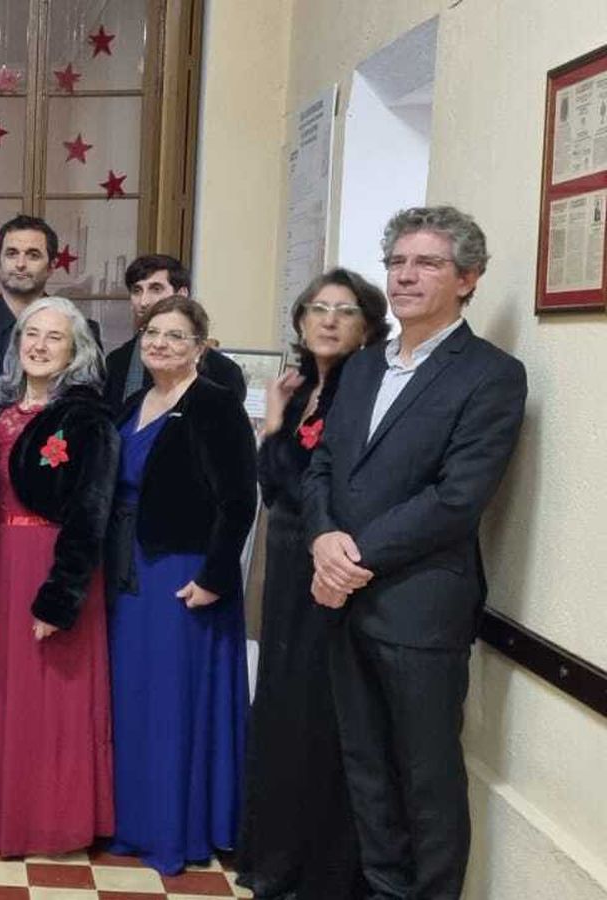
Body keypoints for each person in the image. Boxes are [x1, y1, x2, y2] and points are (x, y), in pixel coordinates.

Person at [304, 207, 527, 900]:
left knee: (426, 782)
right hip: (344, 604)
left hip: (419, 610)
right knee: (367, 773)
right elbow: (323, 467)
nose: (405, 276)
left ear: (468, 279)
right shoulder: (363, 366)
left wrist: (351, 558)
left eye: (427, 263)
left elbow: (457, 498)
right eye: (397, 262)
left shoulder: (491, 375)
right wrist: (321, 538)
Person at [236, 269, 387, 900]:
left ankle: (317, 870)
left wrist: (273, 435)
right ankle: (275, 859)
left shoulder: (364, 390)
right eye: (317, 309)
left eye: (345, 311)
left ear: (368, 328)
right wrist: (276, 421)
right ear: (299, 321)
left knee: (319, 716)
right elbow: (275, 485)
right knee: (280, 705)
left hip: (330, 571)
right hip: (287, 566)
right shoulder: (301, 390)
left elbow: (311, 487)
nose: (328, 320)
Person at [105, 294, 256, 875]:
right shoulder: (133, 403)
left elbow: (239, 500)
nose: (160, 344)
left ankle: (175, 828)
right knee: (134, 698)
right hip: (129, 571)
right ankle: (132, 822)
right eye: (152, 334)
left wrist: (214, 577)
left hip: (184, 573)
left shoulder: (214, 404)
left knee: (172, 702)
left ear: (199, 348)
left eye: (175, 336)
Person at [0, 296, 118, 857]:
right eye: (30, 335)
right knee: (4, 693)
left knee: (48, 695)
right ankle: (1, 813)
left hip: (48, 564)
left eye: (53, 337)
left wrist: (60, 596)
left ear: (75, 350)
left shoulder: (86, 419)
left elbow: (91, 512)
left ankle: (49, 822)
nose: (38, 345)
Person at [0, 214, 101, 385]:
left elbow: (90, 393)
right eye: (12, 254)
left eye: (33, 255)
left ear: (52, 266)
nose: (20, 264)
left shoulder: (80, 329)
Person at [102, 254, 245, 411]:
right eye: (137, 291)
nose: (144, 301)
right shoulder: (117, 361)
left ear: (181, 294)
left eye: (156, 289)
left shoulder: (223, 371)